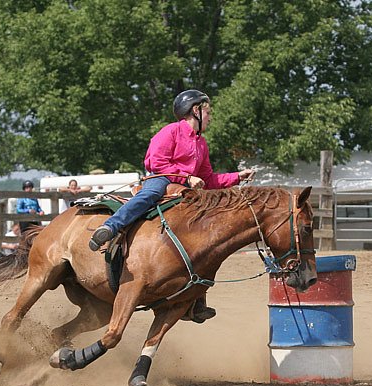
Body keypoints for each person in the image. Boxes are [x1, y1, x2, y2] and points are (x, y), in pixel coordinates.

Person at [88, 89, 255, 322]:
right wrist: (186, 178)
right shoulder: (171, 131)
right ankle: (110, 227)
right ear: (195, 111)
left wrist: (238, 176)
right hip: (162, 180)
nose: (210, 117)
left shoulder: (201, 144)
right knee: (150, 194)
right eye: (208, 112)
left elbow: (208, 179)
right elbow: (155, 162)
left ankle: (196, 295)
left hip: (187, 189)